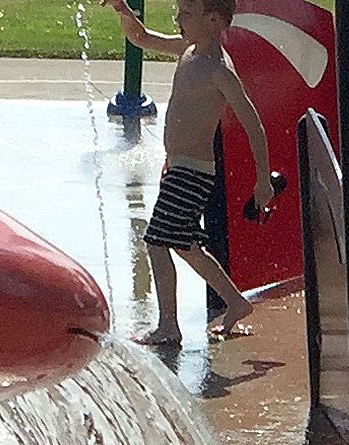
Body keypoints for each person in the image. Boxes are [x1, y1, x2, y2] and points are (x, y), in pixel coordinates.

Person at [103, 0, 275, 346]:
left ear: (212, 20)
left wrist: (262, 179)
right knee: (187, 244)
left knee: (156, 241)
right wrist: (124, 11)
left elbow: (253, 124)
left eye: (185, 13)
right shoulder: (188, 49)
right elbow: (141, 38)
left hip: (193, 173)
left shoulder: (218, 70)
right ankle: (236, 302)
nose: (177, 18)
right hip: (180, 168)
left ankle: (169, 326)